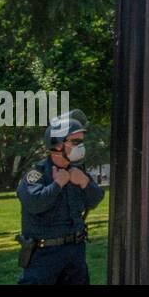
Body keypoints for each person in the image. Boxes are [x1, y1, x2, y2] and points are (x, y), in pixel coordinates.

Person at [16, 110, 103, 285]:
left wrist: (85, 182)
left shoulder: (77, 171)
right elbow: (35, 203)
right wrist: (57, 185)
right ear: (57, 145)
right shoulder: (37, 174)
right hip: (44, 255)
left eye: (81, 142)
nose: (80, 146)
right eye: (75, 142)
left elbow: (95, 199)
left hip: (75, 252)